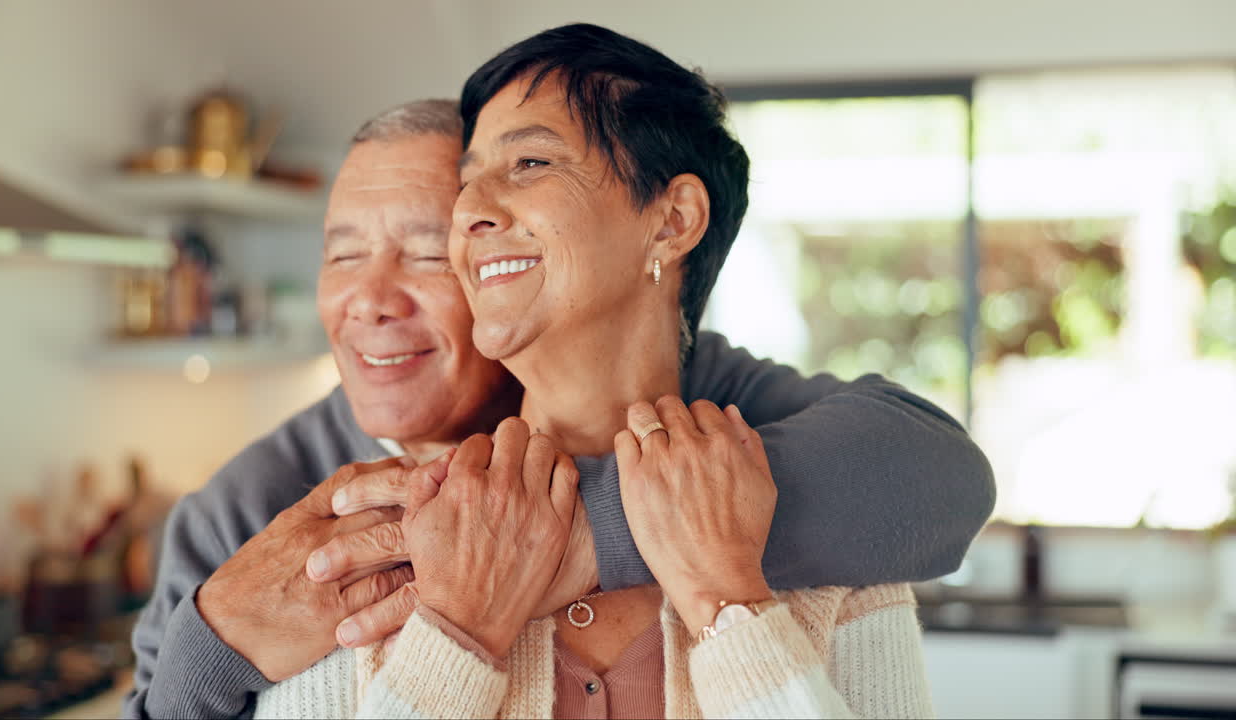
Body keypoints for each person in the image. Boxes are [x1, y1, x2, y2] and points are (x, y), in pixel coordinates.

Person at [125, 97, 992, 720]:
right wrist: (211, 643)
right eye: (341, 255)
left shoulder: (700, 398)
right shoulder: (254, 510)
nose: (370, 300)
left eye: (430, 252)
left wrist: (580, 536)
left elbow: (935, 473)